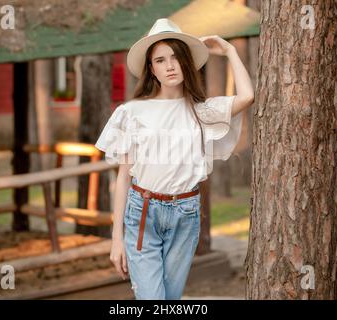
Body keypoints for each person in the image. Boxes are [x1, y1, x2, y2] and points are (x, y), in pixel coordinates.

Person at [95, 18, 254, 300]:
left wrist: (229, 50)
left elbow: (247, 96)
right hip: (143, 212)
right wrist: (116, 240)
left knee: (169, 299)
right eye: (160, 60)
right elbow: (123, 178)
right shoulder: (131, 113)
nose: (169, 65)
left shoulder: (201, 112)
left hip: (186, 214)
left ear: (186, 63)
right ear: (151, 69)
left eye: (176, 58)